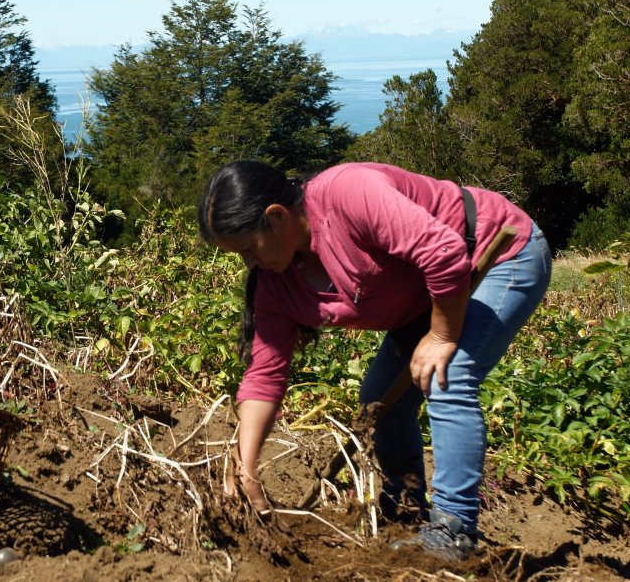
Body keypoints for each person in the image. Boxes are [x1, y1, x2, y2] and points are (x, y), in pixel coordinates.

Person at [197, 160, 551, 561]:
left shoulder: (349, 193)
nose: (248, 264)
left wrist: (441, 336)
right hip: (428, 293)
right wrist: (246, 470)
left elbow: (445, 253)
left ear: (276, 217)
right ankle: (406, 512)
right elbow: (264, 377)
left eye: (248, 249)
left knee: (446, 374)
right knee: (381, 402)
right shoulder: (276, 286)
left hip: (495, 255)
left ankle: (453, 530)